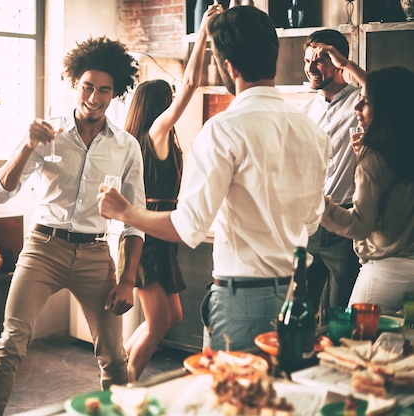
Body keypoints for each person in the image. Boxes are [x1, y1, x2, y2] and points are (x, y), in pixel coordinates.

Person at [98, 5, 330, 352]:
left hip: (242, 299)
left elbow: (189, 227)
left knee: (231, 401)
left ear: (229, 67)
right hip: (298, 296)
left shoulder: (223, 130)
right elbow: (311, 222)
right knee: (277, 401)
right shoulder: (313, 131)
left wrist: (124, 212)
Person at [0, 36, 145, 415]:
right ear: (74, 84)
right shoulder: (46, 132)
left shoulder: (126, 147)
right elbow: (0, 194)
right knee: (11, 344)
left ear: (115, 93)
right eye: (87, 87)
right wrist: (24, 148)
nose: (94, 97)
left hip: (94, 253)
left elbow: (135, 222)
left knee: (115, 360)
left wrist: (128, 279)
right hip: (43, 249)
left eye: (104, 90)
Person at [120, 4, 221, 381]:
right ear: (160, 106)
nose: (176, 99)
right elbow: (193, 85)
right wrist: (205, 31)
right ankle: (123, 385)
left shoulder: (143, 139)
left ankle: (116, 374)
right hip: (150, 238)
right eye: (171, 97)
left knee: (171, 316)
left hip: (160, 234)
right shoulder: (155, 134)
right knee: (159, 323)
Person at [321, 65, 414, 315]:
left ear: (387, 109)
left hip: (383, 275)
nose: (356, 108)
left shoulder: (375, 157)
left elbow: (360, 225)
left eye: (365, 102)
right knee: (402, 349)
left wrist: (317, 204)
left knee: (356, 346)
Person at [301, 29, 362, 321]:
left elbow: (389, 97)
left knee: (339, 317)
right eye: (307, 60)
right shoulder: (306, 110)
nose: (311, 68)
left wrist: (348, 67)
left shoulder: (362, 102)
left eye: (320, 61)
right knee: (300, 312)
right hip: (311, 225)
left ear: (338, 62)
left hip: (345, 228)